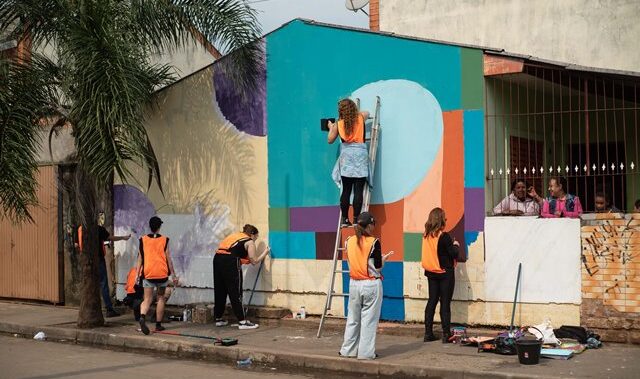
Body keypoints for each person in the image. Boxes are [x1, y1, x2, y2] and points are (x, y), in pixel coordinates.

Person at [339, 212, 393, 360]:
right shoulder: (374, 242)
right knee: (368, 320)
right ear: (369, 225)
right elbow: (377, 266)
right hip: (370, 284)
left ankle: (347, 350)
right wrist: (384, 259)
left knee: (353, 318)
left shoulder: (348, 241)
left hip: (354, 283)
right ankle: (365, 353)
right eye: (373, 224)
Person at [213, 224, 270, 330]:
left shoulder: (235, 236)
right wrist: (265, 253)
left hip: (217, 259)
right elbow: (254, 261)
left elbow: (233, 252)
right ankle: (242, 321)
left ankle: (218, 318)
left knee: (220, 290)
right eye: (256, 237)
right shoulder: (249, 241)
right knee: (235, 291)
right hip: (230, 262)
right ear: (252, 235)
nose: (255, 240)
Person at [76, 212, 131, 318]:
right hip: (98, 260)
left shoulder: (80, 229)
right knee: (103, 285)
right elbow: (110, 238)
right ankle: (109, 309)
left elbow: (76, 244)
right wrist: (123, 237)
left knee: (88, 284)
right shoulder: (98, 229)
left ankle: (87, 307)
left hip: (85, 262)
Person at [328, 98, 370, 226]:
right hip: (360, 156)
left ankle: (345, 219)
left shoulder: (339, 124)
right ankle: (357, 219)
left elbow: (330, 140)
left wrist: (331, 126)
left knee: (346, 189)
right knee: (359, 189)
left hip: (347, 157)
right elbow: (367, 112)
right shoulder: (361, 117)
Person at [422, 207, 459, 343]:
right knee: (445, 303)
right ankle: (446, 334)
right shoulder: (444, 236)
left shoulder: (426, 235)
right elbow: (454, 253)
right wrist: (456, 245)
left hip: (431, 272)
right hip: (445, 273)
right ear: (441, 220)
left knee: (432, 301)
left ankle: (428, 333)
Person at [136, 216, 178, 335]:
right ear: (159, 227)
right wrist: (173, 274)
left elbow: (140, 258)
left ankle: (142, 317)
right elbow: (168, 258)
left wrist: (138, 274)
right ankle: (158, 325)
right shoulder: (165, 240)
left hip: (148, 273)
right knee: (160, 298)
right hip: (162, 273)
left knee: (147, 299)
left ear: (150, 226)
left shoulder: (143, 240)